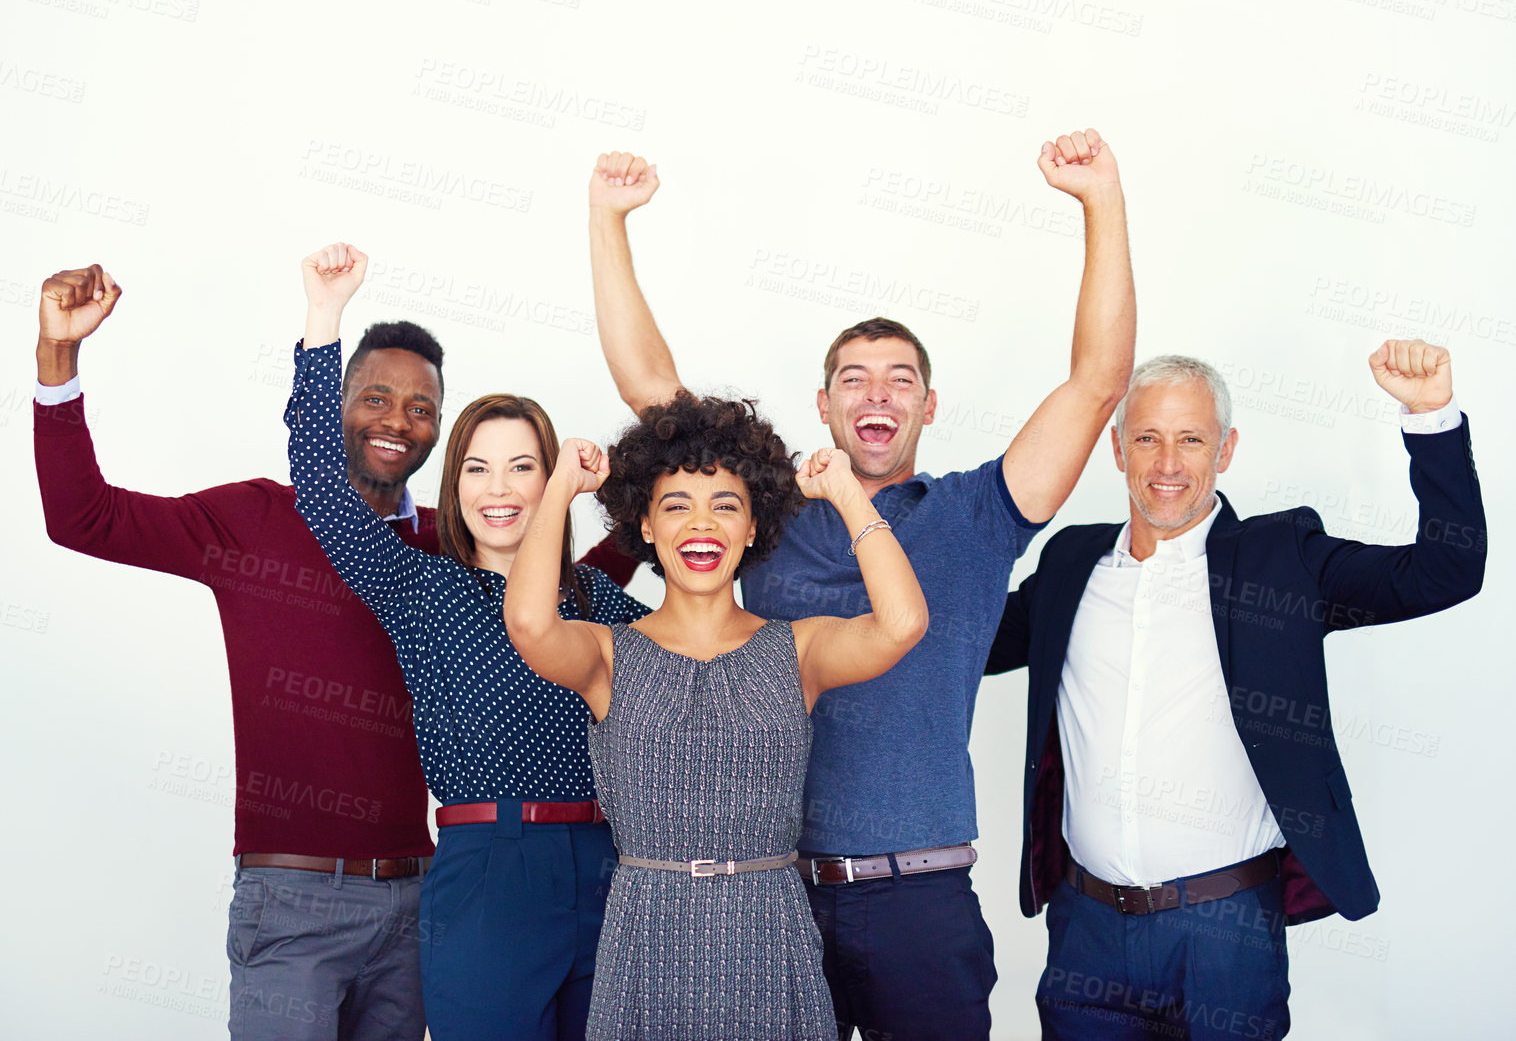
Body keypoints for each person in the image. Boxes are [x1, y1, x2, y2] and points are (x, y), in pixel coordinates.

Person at [586, 133, 1136, 1040]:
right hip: (772, 898)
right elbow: (653, 388)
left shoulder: (978, 515)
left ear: (928, 406)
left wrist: (1102, 200)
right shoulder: (756, 514)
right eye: (854, 378)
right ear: (825, 405)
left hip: (918, 898)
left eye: (900, 379)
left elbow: (1096, 382)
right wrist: (608, 221)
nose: (876, 393)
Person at [984, 344, 1485, 1038]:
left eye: (1191, 440)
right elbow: (951, 643)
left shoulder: (1284, 562)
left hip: (1226, 931)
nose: (1166, 465)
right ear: (1116, 448)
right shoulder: (1072, 562)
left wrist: (1431, 419)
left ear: (1226, 450)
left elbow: (1445, 572)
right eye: (1147, 439)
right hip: (1086, 929)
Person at [33, 263, 446, 1040]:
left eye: (421, 407)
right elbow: (81, 518)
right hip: (291, 906)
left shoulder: (446, 548)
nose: (398, 419)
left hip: (417, 907)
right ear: (336, 407)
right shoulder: (253, 520)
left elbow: (559, 604)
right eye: (377, 398)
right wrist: (58, 360)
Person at [289, 243, 646, 1041]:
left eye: (523, 467)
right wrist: (323, 317)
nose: (499, 489)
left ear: (553, 481)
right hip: (489, 867)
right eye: (478, 468)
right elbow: (318, 482)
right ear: (455, 485)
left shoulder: (605, 606)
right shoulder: (424, 589)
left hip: (614, 869)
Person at [501, 390, 929, 1041]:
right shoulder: (609, 655)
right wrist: (560, 487)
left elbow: (902, 623)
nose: (701, 525)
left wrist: (846, 492)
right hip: (649, 938)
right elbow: (530, 623)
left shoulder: (800, 649)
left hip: (769, 934)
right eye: (676, 506)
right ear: (645, 525)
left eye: (725, 506)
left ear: (753, 526)